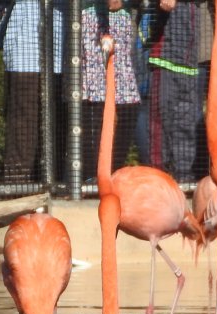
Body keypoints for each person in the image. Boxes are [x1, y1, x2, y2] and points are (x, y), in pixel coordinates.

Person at [146, 0, 214, 183]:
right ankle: (159, 175)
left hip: (190, 62)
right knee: (161, 118)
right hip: (165, 58)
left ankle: (184, 176)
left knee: (188, 122)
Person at [1, 0, 66, 183]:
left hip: (62, 45)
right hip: (25, 47)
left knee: (59, 120)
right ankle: (17, 185)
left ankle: (56, 182)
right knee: (24, 119)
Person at [80, 0, 141, 180]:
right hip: (92, 18)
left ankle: (114, 171)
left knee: (129, 104)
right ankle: (92, 175)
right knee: (95, 99)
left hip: (122, 20)